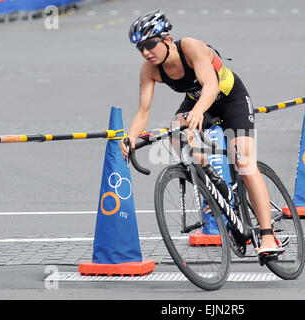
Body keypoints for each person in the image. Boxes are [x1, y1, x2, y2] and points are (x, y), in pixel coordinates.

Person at [120, 9, 284, 255]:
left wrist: (197, 112)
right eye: (140, 48)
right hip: (199, 100)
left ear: (166, 39)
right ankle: (211, 184)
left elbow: (211, 85)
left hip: (230, 98)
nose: (145, 52)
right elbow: (143, 110)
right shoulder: (150, 70)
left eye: (149, 45)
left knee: (245, 163)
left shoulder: (190, 47)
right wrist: (131, 136)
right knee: (177, 129)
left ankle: (268, 236)